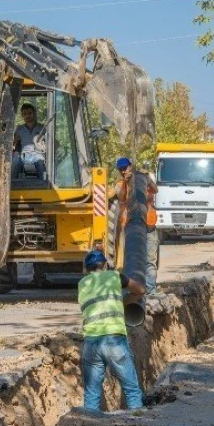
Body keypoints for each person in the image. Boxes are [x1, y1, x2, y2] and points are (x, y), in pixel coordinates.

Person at [79, 249, 146, 411]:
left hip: (91, 342)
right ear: (105, 265)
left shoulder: (82, 283)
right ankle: (137, 424)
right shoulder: (115, 277)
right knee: (131, 388)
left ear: (87, 269)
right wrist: (125, 301)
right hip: (114, 340)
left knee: (92, 393)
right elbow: (140, 290)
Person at [115, 157, 160, 298]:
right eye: (121, 169)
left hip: (149, 226)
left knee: (150, 260)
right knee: (130, 260)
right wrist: (126, 183)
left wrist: (146, 179)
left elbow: (155, 190)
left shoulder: (142, 179)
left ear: (131, 166)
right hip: (132, 229)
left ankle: (150, 291)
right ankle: (131, 291)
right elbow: (121, 198)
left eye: (125, 168)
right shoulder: (120, 184)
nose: (123, 171)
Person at [13, 103, 47, 179]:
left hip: (38, 154)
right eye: (25, 114)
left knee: (41, 162)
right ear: (22, 115)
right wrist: (14, 151)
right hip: (24, 155)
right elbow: (12, 142)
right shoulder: (20, 129)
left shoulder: (42, 128)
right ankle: (11, 185)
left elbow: (51, 142)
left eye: (29, 113)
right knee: (15, 161)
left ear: (33, 113)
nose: (27, 116)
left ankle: (44, 183)